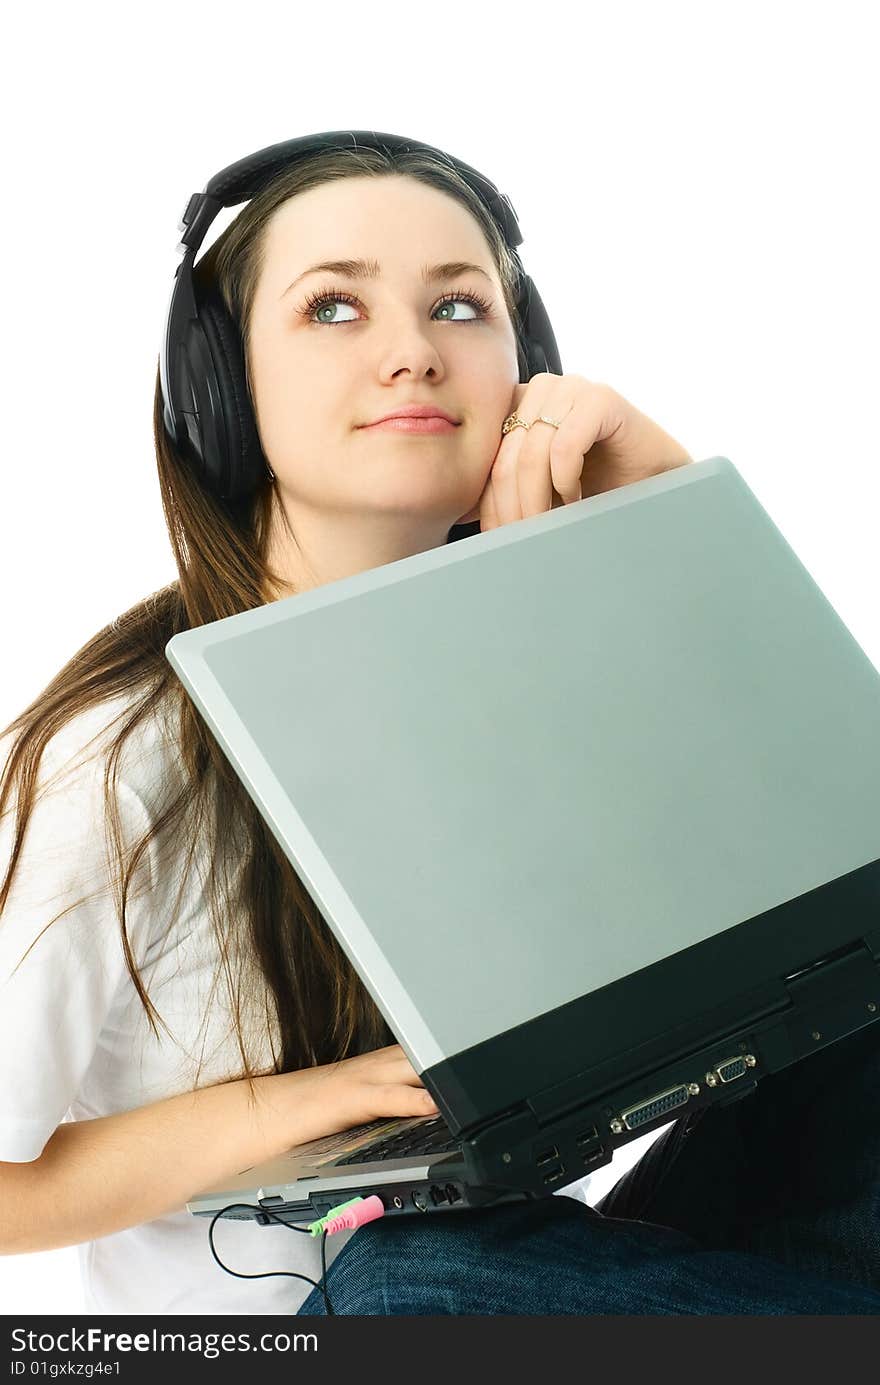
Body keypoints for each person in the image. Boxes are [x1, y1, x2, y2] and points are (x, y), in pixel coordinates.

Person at [1, 140, 877, 1317]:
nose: (412, 349)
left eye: (459, 305)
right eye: (333, 307)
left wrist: (665, 516)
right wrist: (303, 1104)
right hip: (365, 1317)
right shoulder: (116, 761)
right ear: (218, 387)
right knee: (407, 1277)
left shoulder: (529, 671)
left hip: (521, 1269)